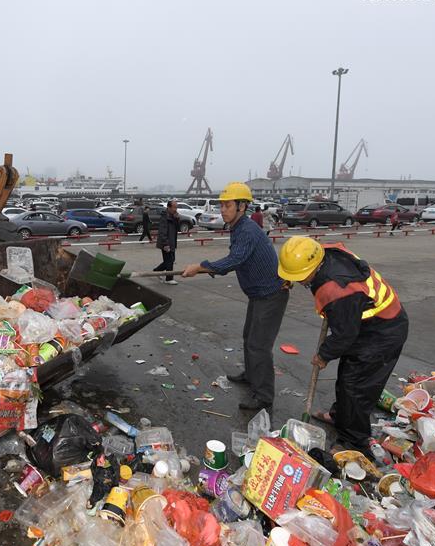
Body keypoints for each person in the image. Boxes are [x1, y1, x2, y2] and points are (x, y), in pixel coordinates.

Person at [277, 236, 409, 453]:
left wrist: (323, 355)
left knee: (356, 388)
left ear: (313, 267)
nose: (300, 282)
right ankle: (340, 416)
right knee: (348, 377)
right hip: (364, 323)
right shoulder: (323, 251)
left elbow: (344, 335)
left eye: (300, 277)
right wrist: (290, 277)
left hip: (382, 333)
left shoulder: (337, 290)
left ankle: (353, 442)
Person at [182, 183, 289, 411]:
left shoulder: (247, 230)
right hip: (259, 294)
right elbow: (235, 260)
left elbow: (233, 260)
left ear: (242, 206)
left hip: (271, 295)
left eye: (228, 205)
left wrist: (201, 267)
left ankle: (263, 396)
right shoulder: (238, 228)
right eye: (222, 205)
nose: (223, 210)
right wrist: (205, 268)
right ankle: (251, 375)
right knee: (249, 337)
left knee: (258, 345)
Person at [154, 201, 179, 285]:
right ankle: (169, 278)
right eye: (174, 207)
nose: (175, 209)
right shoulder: (164, 217)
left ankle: (157, 271)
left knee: (170, 260)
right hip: (166, 242)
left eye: (176, 207)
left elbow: (177, 228)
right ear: (169, 207)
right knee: (169, 260)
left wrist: (177, 218)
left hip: (172, 241)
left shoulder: (173, 216)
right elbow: (162, 231)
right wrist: (165, 244)